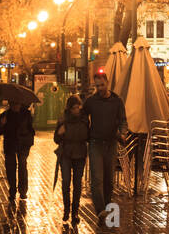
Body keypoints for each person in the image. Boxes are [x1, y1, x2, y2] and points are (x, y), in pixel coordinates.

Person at [83, 72, 128, 223]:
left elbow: (123, 120)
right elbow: (82, 117)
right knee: (97, 179)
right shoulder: (91, 101)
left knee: (109, 179)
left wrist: (122, 133)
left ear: (107, 83)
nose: (100, 88)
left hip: (111, 143)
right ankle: (101, 210)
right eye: (97, 86)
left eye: (102, 85)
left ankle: (108, 208)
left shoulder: (116, 101)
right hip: (96, 143)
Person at [53, 95, 89, 225]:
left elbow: (87, 136)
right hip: (66, 154)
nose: (76, 110)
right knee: (66, 182)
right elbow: (56, 139)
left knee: (77, 184)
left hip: (80, 154)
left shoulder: (84, 119)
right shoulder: (63, 119)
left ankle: (75, 211)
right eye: (74, 108)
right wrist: (60, 133)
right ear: (69, 108)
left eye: (78, 107)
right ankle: (66, 210)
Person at [0, 97, 35, 207]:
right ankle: (12, 190)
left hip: (23, 144)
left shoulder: (26, 114)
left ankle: (23, 191)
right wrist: (2, 124)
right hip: (10, 145)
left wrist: (29, 140)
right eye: (13, 104)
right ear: (10, 104)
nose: (15, 106)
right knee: (10, 168)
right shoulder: (5, 115)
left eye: (17, 104)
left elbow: (31, 129)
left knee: (22, 165)